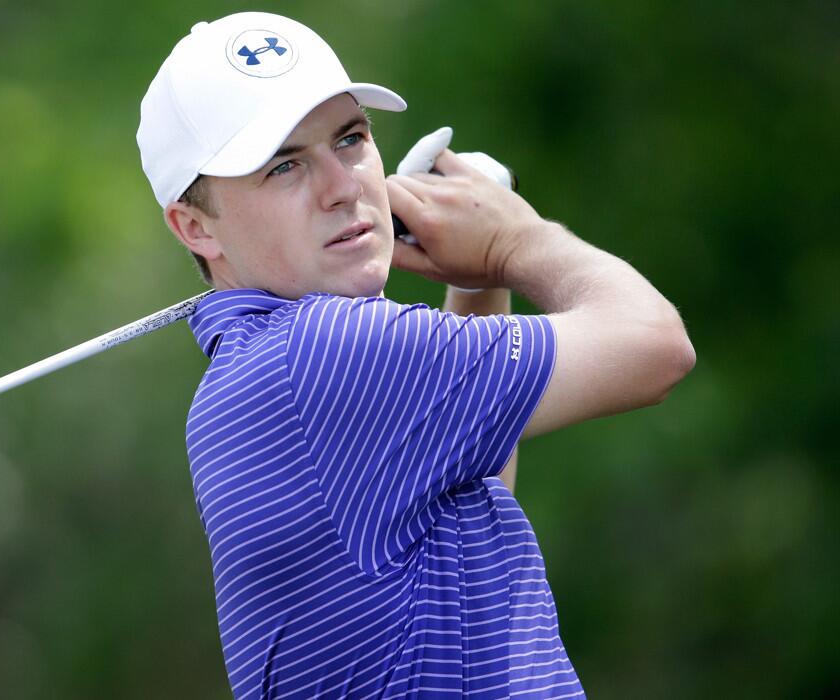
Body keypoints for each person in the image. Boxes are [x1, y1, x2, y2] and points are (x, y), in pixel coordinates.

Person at [137, 12, 694, 699]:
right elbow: (654, 346)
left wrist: (476, 276)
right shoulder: (320, 354)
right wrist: (514, 241)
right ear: (196, 227)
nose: (343, 186)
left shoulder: (260, 376)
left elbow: (467, 483)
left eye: (351, 138)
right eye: (284, 165)